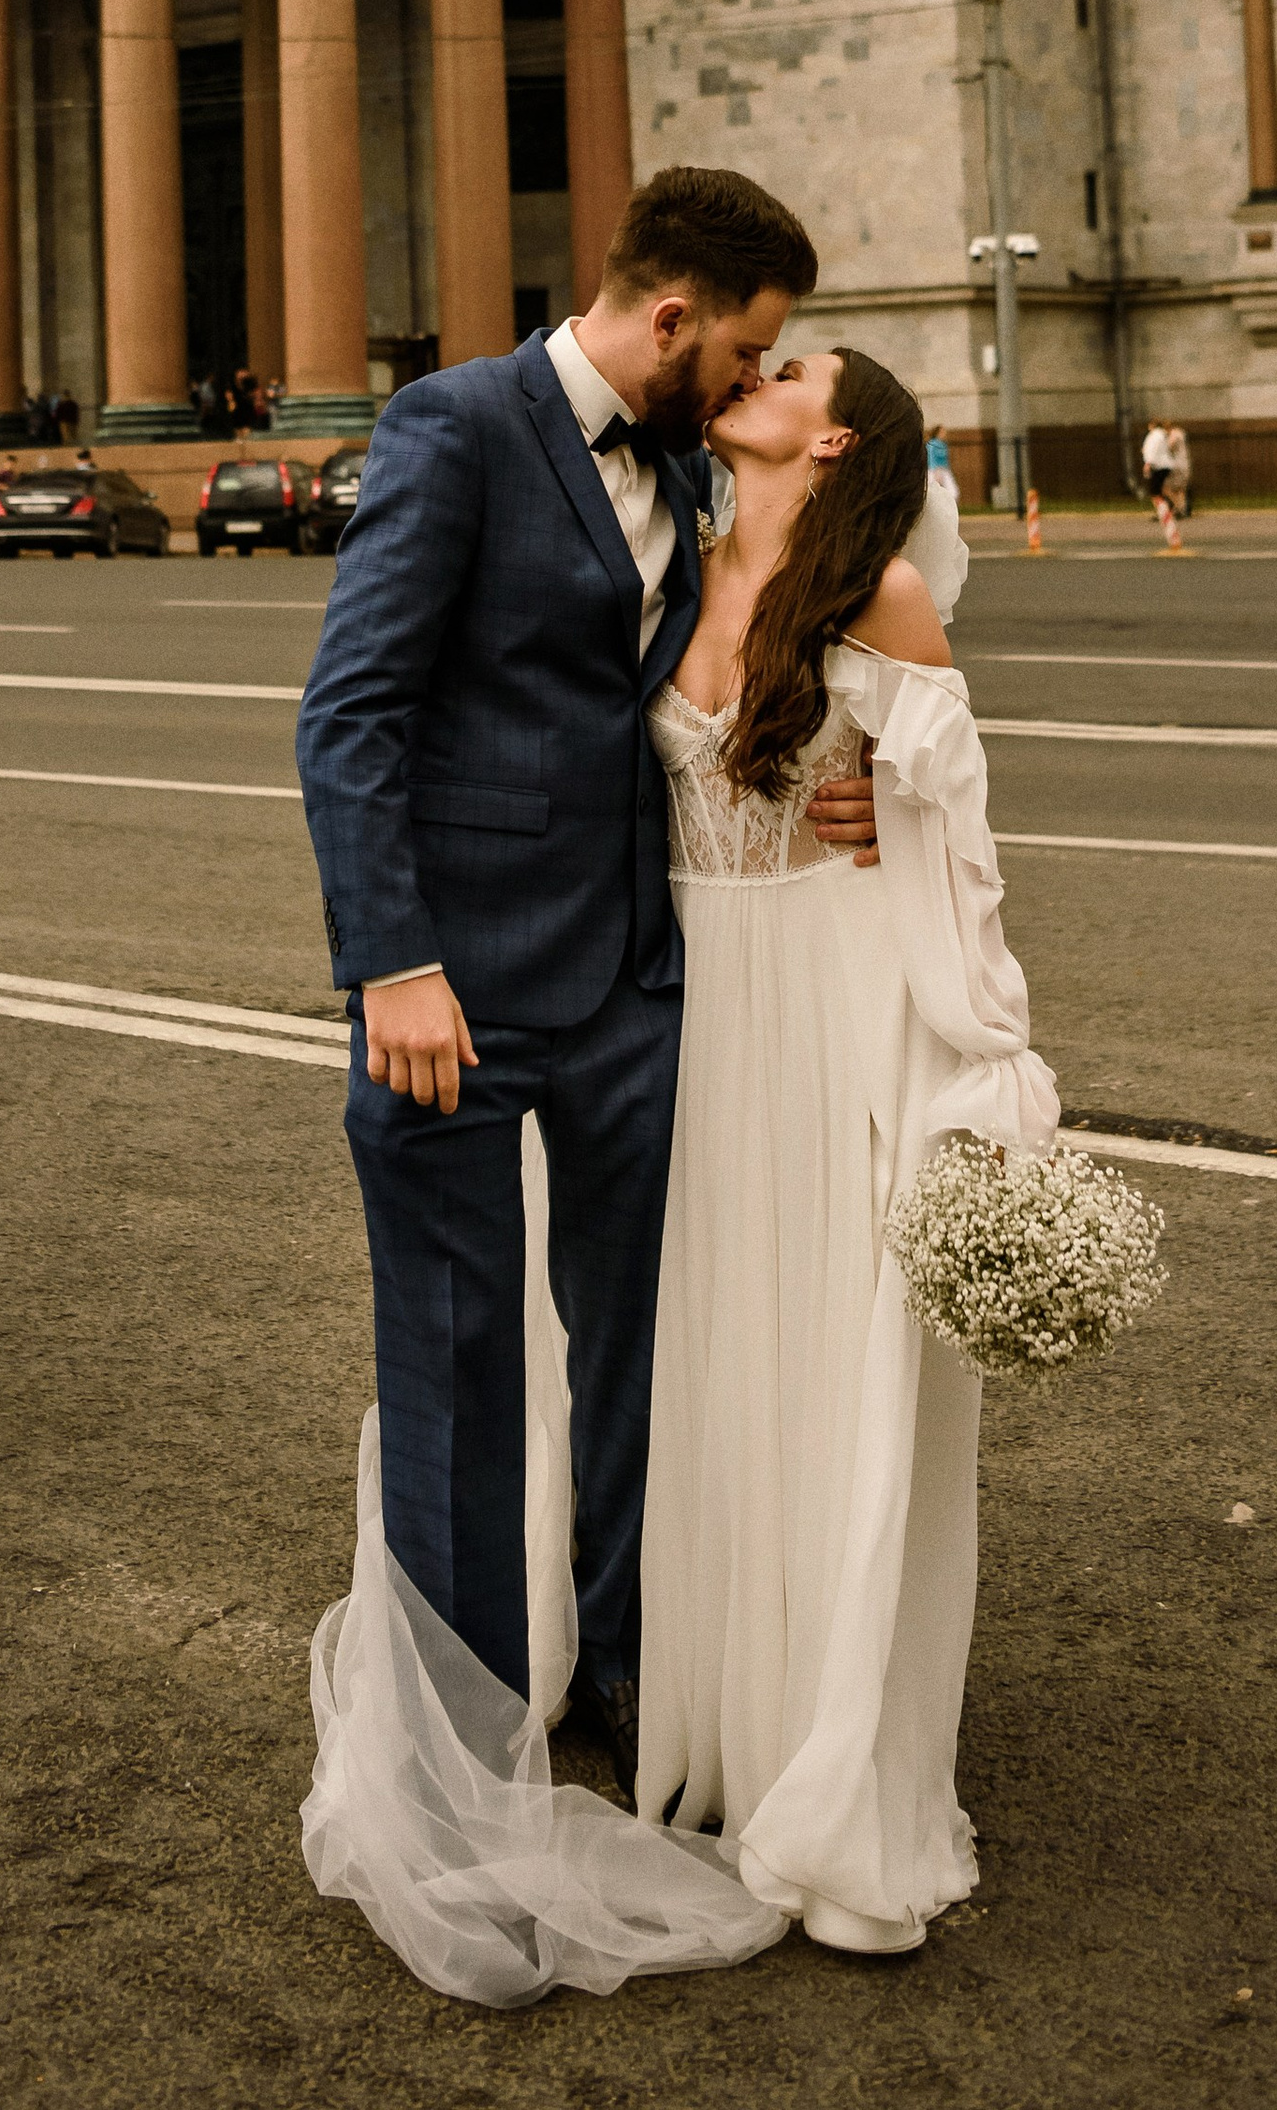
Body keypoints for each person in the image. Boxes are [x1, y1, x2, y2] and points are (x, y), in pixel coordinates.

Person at [298, 170, 870, 1994]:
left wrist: (840, 778)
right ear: (681, 313)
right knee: (459, 1366)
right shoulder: (453, 424)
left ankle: (632, 1686)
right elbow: (353, 708)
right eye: (755, 344)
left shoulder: (698, 458)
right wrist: (392, 958)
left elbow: (712, 679)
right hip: (451, 996)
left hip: (638, 981)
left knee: (645, 1354)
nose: (759, 374)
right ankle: (464, 1759)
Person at [638, 343, 1054, 1950]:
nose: (753, 367)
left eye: (791, 364)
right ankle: (731, 1734)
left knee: (837, 1363)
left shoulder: (878, 591)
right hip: (697, 999)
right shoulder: (677, 551)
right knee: (721, 1355)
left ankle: (833, 1762)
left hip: (835, 994)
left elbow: (963, 847)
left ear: (839, 436)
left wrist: (990, 1069)